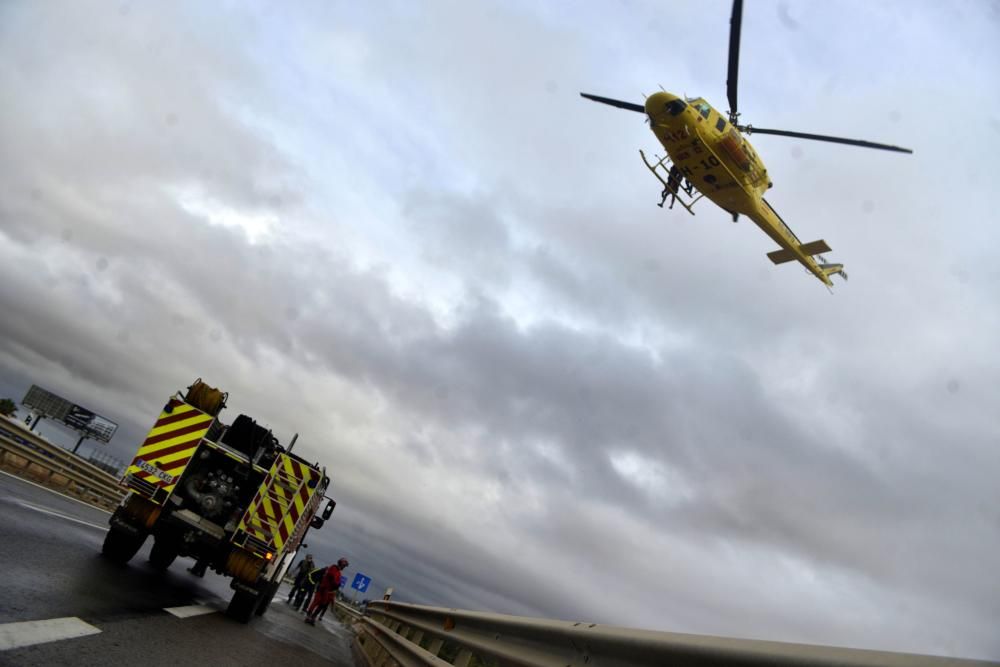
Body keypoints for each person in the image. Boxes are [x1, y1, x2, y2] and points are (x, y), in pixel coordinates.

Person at [304, 558, 348, 625]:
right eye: (343, 566)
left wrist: (336, 585)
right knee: (316, 602)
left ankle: (313, 617)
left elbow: (337, 583)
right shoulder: (333, 568)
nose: (343, 568)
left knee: (322, 605)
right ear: (341, 564)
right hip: (323, 588)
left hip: (328, 591)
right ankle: (308, 616)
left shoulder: (339, 573)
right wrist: (336, 584)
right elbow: (332, 579)